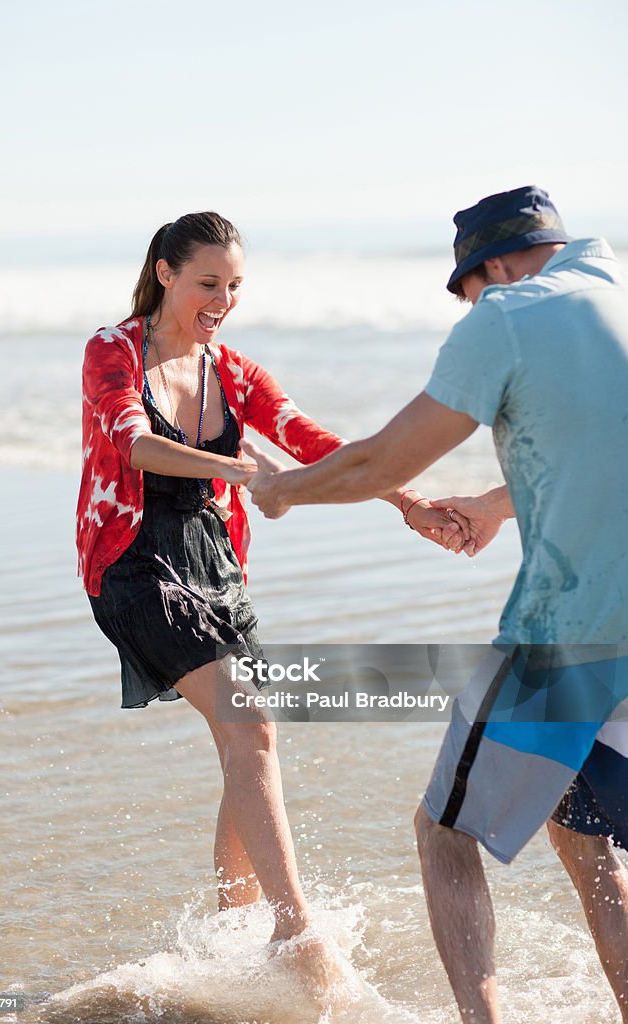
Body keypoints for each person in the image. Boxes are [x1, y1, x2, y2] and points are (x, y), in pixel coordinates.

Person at [244, 186, 628, 1022]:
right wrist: (495, 505)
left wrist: (283, 493)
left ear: (490, 268)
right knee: (581, 830)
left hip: (570, 640)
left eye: (469, 292)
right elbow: (594, 458)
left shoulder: (508, 317)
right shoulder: (614, 301)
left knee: (442, 831)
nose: (473, 308)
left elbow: (378, 461)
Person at [76, 211, 463, 955]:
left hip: (214, 561)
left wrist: (406, 499)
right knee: (249, 720)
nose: (222, 299)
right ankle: (296, 931)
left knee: (249, 735)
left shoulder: (234, 370)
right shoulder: (111, 350)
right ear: (165, 273)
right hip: (132, 562)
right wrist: (242, 469)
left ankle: (233, 932)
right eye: (207, 282)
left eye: (234, 285)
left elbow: (315, 441)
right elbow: (136, 443)